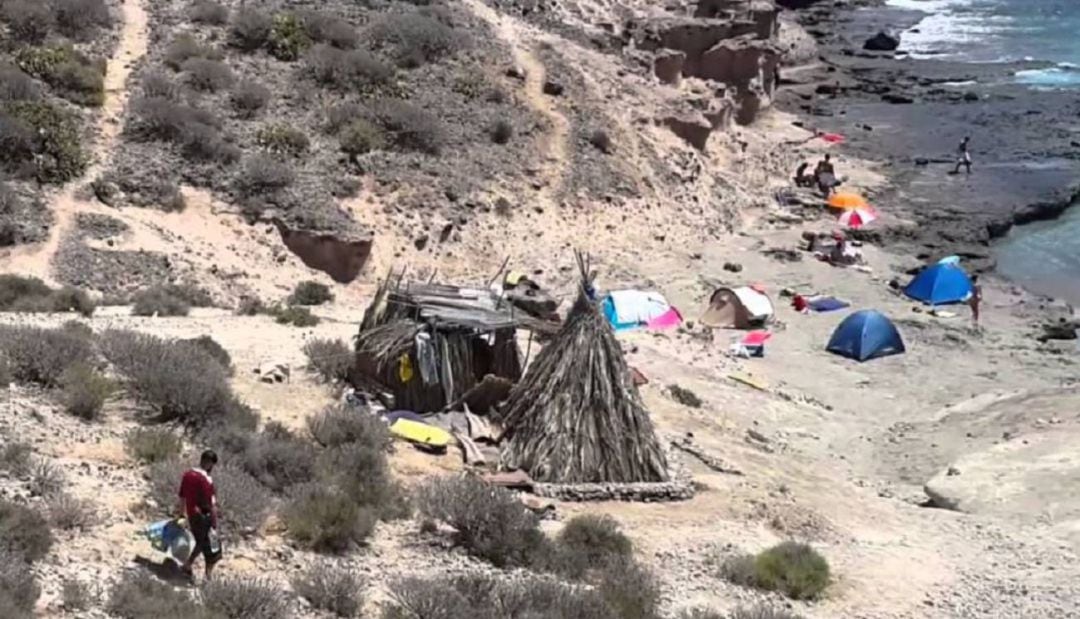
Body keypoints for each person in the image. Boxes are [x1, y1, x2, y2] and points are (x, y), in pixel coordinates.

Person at [178, 450, 221, 580]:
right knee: (214, 547)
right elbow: (211, 504)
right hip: (204, 516)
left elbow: (182, 496)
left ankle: (189, 565)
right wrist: (214, 522)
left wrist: (182, 514)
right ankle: (206, 575)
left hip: (192, 514)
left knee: (200, 542)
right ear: (209, 464)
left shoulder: (187, 475)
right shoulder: (206, 480)